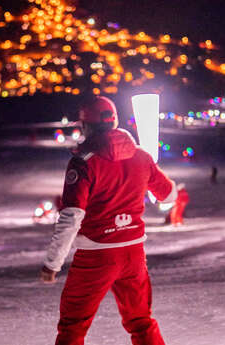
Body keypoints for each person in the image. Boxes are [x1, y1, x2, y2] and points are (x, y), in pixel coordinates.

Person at [40, 96, 177, 345]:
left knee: (73, 326)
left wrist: (53, 263)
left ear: (86, 125)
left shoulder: (84, 162)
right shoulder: (142, 157)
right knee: (140, 321)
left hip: (96, 255)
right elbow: (169, 196)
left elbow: (71, 216)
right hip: (133, 253)